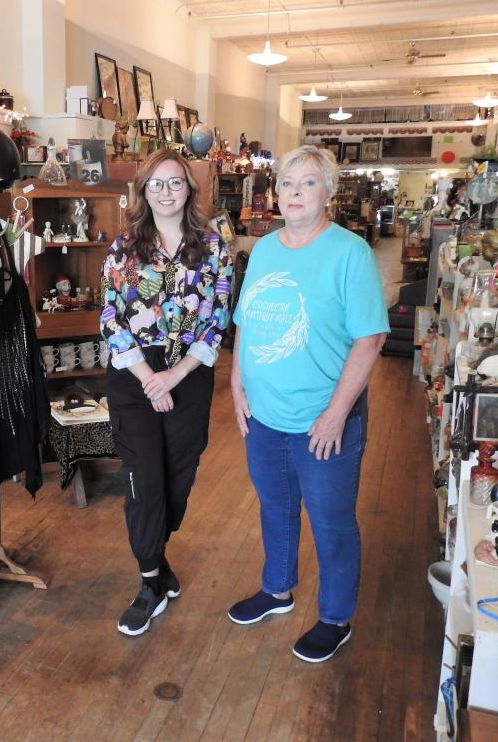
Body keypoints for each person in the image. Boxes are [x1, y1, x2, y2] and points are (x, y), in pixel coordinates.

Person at [229, 145, 388, 663]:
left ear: (328, 193)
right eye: (287, 183)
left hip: (324, 420)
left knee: (331, 520)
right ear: (275, 193)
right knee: (275, 507)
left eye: (308, 183)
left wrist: (336, 413)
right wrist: (236, 385)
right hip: (265, 417)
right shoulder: (266, 250)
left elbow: (369, 341)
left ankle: (335, 618)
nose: (294, 192)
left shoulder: (350, 253)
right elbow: (246, 325)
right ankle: (277, 589)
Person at [101, 148, 232, 637]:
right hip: (134, 376)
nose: (165, 192)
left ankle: (157, 552)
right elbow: (112, 317)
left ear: (189, 190)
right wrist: (147, 377)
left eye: (174, 183)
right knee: (143, 480)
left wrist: (171, 377)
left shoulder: (213, 247)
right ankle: (150, 580)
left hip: (189, 372)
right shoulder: (125, 248)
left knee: (179, 477)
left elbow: (218, 319)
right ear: (143, 191)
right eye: (155, 183)